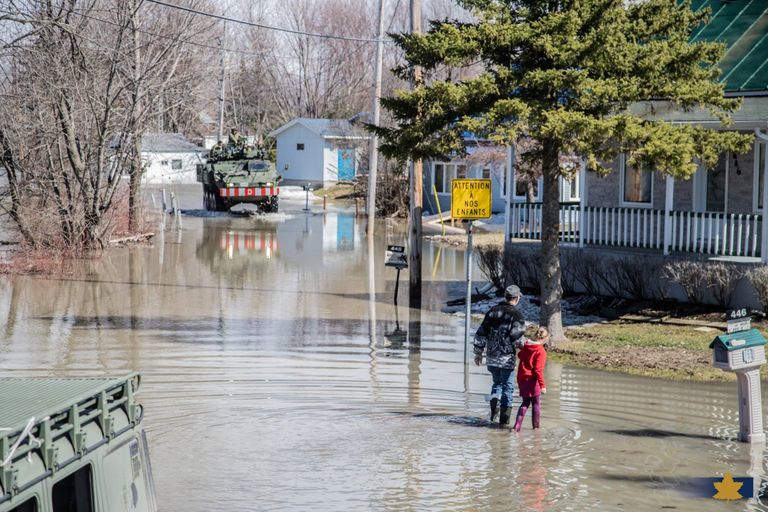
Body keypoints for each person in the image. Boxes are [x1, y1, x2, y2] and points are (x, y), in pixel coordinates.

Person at [473, 284, 527, 426]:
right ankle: (504, 423)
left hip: (491, 358)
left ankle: (493, 415)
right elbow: (517, 339)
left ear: (505, 296)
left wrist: (478, 353)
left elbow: (481, 333)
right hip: (507, 359)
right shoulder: (517, 315)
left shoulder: (492, 311)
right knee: (508, 387)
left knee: (496, 384)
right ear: (517, 298)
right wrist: (529, 347)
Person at [513, 326, 548, 432]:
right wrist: (542, 386)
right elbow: (538, 370)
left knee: (525, 403)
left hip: (522, 378)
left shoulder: (526, 345)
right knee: (536, 403)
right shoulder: (541, 351)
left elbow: (520, 355)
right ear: (546, 338)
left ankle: (516, 428)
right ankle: (536, 429)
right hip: (532, 380)